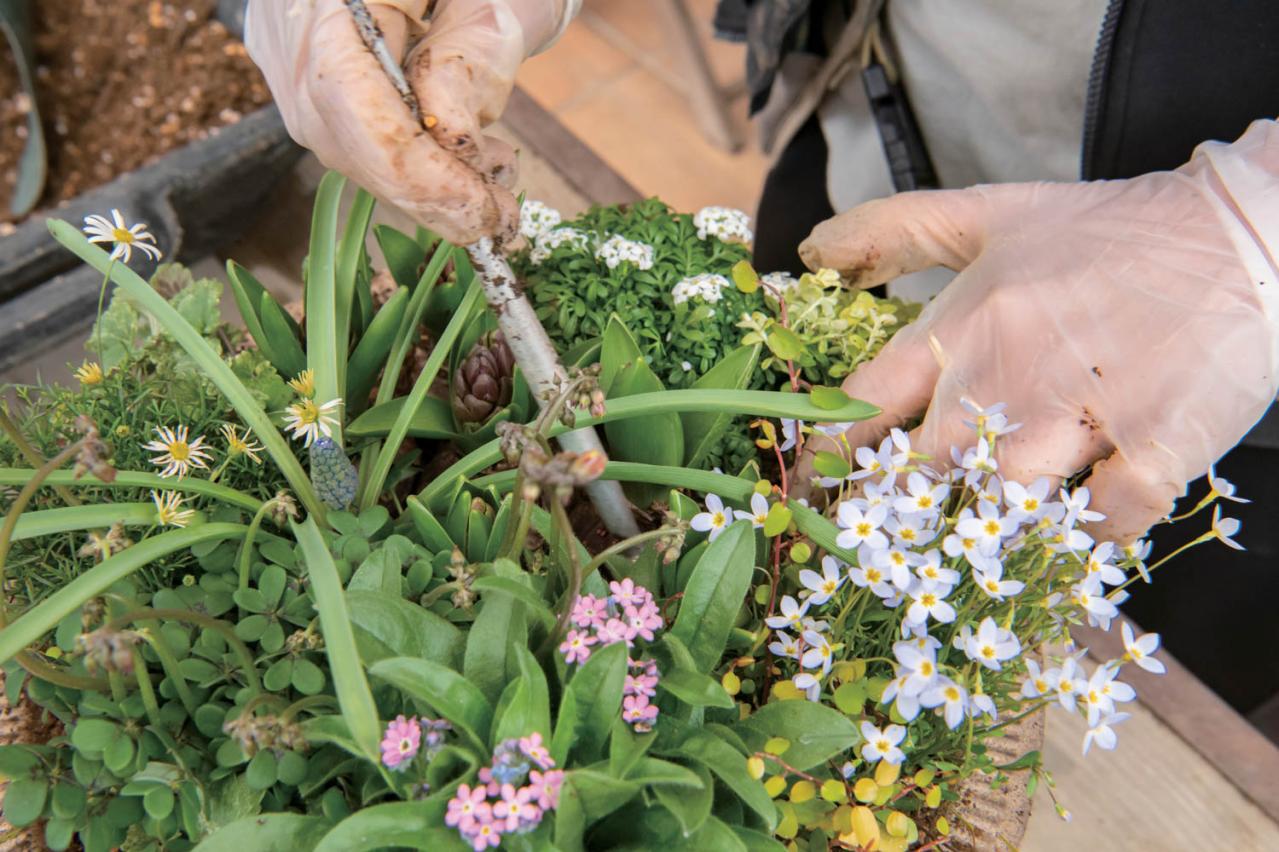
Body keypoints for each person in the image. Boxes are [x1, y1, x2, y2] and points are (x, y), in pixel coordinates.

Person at [245, 1, 1279, 720]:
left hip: (1208, 365)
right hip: (889, 124)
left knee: (1131, 660)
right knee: (789, 426)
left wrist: (1247, 234)